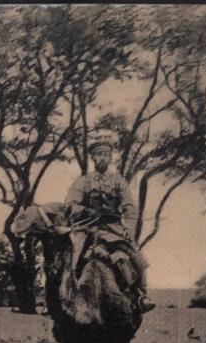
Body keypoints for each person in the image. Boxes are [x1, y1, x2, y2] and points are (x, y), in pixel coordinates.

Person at [65, 129, 155, 312]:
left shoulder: (119, 181)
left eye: (106, 155)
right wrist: (85, 211)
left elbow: (129, 207)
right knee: (72, 258)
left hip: (113, 228)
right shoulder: (82, 181)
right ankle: (58, 298)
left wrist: (128, 228)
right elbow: (71, 205)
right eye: (99, 155)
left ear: (111, 158)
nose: (103, 158)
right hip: (87, 227)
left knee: (136, 258)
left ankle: (141, 295)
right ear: (93, 158)